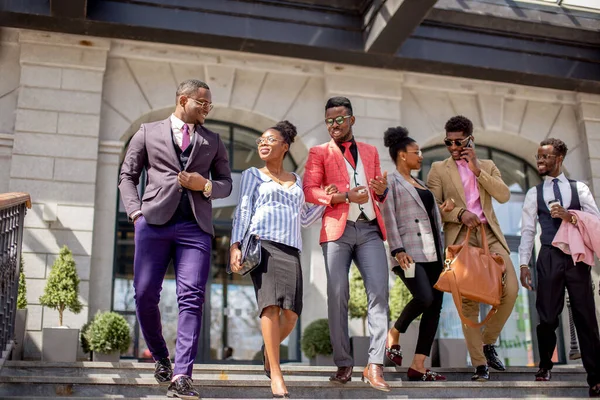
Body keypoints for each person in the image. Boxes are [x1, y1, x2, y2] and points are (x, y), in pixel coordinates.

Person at [119, 79, 232, 399]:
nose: (208, 109)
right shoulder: (146, 132)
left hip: (194, 229)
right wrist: (135, 214)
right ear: (184, 100)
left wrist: (205, 186)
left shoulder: (214, 140)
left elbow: (225, 183)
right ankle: (160, 356)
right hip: (152, 224)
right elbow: (127, 176)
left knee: (191, 298)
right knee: (143, 295)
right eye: (203, 104)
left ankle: (182, 374)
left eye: (210, 105)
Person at [230, 121, 336, 398]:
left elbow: (303, 218)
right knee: (271, 308)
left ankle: (269, 350)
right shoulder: (253, 175)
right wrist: (235, 245)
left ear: (285, 147)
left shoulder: (296, 180)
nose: (263, 144)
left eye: (270, 140)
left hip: (292, 248)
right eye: (260, 140)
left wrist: (326, 203)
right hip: (263, 245)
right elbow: (243, 211)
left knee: (291, 313)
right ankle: (276, 374)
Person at [303, 96, 391, 392]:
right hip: (336, 229)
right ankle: (343, 362)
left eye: (339, 119)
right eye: (329, 121)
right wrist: (342, 197)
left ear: (352, 120)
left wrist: (382, 190)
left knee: (379, 291)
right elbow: (310, 190)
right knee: (337, 293)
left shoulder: (370, 151)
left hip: (368, 230)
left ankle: (375, 363)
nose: (334, 125)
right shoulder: (319, 152)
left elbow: (377, 191)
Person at [427, 115, 518, 381]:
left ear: (470, 140)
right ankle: (480, 364)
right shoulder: (438, 168)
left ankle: (488, 342)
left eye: (459, 142)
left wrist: (477, 169)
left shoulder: (487, 164)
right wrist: (459, 213)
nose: (454, 148)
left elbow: (503, 195)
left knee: (510, 289)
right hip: (460, 238)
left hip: (489, 235)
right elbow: (434, 206)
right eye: (449, 143)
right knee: (468, 303)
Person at [519, 138, 600, 397]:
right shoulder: (534, 193)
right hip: (548, 256)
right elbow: (527, 231)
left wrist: (570, 216)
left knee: (586, 317)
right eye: (538, 157)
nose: (540, 161)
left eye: (545, 157)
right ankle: (545, 364)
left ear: (559, 159)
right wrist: (523, 263)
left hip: (576, 258)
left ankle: (596, 377)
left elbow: (596, 222)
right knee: (547, 317)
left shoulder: (580, 189)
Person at [381, 126, 447, 382]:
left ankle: (419, 364)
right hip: (408, 254)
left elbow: (430, 217)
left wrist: (444, 208)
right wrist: (397, 249)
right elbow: (389, 216)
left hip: (434, 254)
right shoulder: (391, 181)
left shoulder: (421, 184)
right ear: (401, 155)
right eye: (415, 152)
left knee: (435, 307)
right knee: (424, 297)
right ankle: (394, 334)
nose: (420, 156)